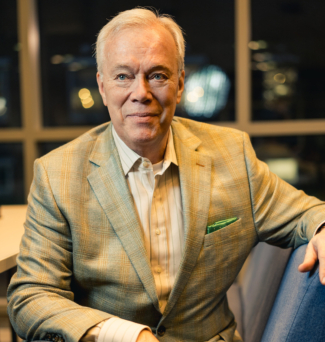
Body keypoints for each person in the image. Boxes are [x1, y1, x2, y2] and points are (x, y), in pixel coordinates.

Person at [7, 8, 325, 342]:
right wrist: (126, 336)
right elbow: (31, 297)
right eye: (123, 76)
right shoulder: (57, 174)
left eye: (157, 75)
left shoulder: (232, 154)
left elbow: (306, 212)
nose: (141, 92)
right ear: (102, 87)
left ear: (180, 83)